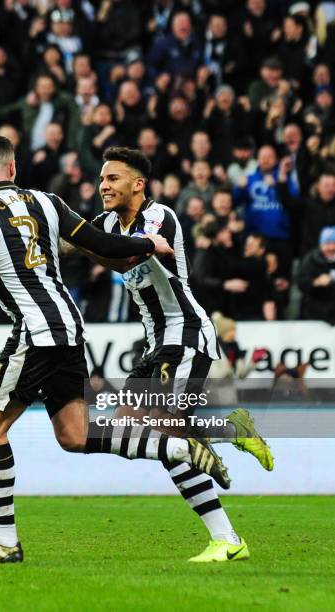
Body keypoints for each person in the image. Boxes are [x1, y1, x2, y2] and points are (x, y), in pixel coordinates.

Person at [0, 134, 229, 564]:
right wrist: (143, 244)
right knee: (76, 435)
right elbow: (102, 245)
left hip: (37, 332)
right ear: (13, 168)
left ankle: (5, 542)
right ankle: (180, 450)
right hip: (70, 330)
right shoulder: (47, 202)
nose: (104, 185)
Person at [78, 147, 274, 562]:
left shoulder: (159, 216)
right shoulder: (107, 222)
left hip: (184, 333)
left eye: (113, 178)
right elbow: (86, 243)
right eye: (101, 179)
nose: (103, 186)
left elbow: (126, 255)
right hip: (155, 342)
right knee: (137, 432)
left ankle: (228, 538)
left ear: (138, 183)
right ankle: (229, 442)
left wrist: (91, 246)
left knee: (165, 432)